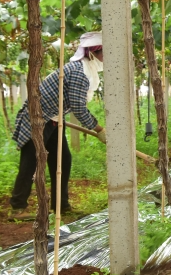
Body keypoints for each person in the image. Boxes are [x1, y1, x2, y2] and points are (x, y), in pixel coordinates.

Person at [9, 31, 107, 219]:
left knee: (62, 160)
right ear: (93, 52)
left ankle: (61, 205)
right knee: (32, 162)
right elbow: (78, 108)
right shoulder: (79, 73)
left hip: (53, 119)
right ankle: (17, 208)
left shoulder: (84, 69)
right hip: (38, 118)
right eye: (105, 52)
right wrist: (99, 129)